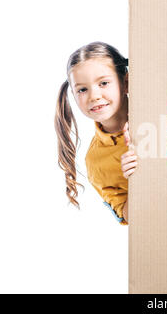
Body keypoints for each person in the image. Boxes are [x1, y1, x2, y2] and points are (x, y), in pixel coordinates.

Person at [54, 41, 137, 225]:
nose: (94, 96)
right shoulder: (96, 161)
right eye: (82, 90)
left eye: (104, 83)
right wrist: (138, 179)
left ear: (126, 82)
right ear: (73, 97)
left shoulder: (158, 113)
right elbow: (129, 218)